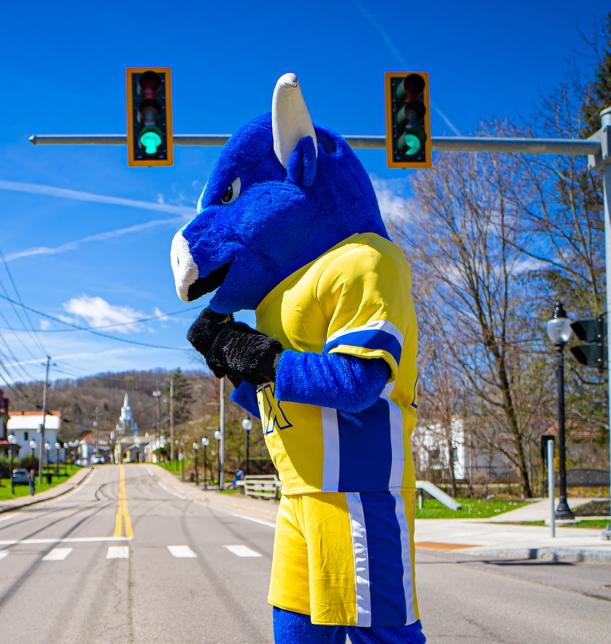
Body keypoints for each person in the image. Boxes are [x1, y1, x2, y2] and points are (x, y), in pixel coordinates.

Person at [172, 75, 425, 642]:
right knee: (295, 631)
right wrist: (230, 365)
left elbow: (359, 381)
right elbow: (279, 393)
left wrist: (257, 357)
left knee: (380, 633)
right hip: (300, 491)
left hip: (359, 490)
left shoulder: (364, 259)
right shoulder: (281, 296)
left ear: (300, 165)